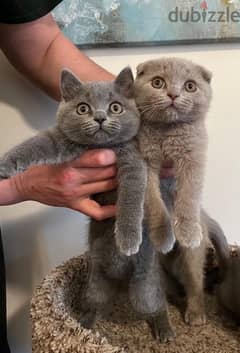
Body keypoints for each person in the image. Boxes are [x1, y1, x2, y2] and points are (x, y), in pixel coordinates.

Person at [0, 1, 173, 352]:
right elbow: (41, 146)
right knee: (96, 280)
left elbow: (42, 42)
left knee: (147, 276)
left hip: (143, 230)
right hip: (100, 238)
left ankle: (160, 315)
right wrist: (14, 179)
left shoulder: (130, 137)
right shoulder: (67, 135)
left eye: (111, 109)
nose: (97, 118)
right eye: (83, 109)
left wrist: (150, 114)